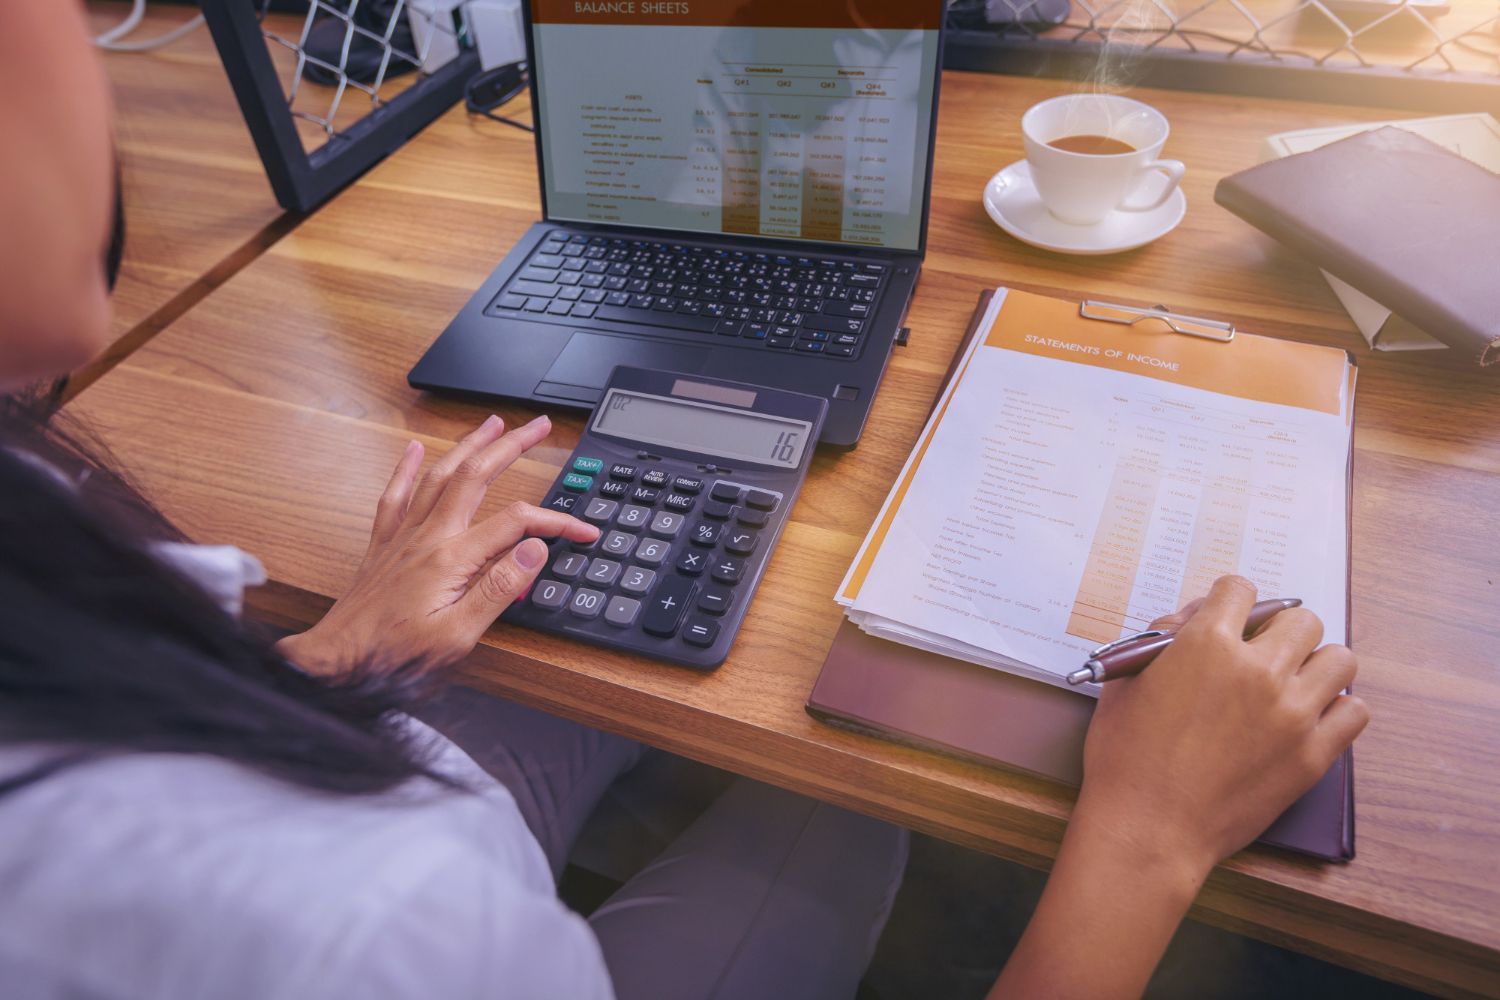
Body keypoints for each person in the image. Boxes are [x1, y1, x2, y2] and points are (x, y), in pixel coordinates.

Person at [0, 3, 1368, 998]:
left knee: (612, 645)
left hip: (344, 764)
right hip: (427, 897)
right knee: (843, 791)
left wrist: (332, 653)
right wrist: (1149, 837)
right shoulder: (371, 930)